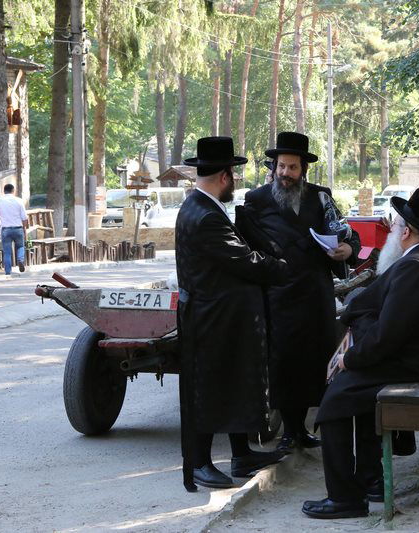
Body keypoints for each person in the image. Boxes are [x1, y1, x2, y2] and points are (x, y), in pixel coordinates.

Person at [302, 188, 419, 519]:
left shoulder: (416, 267)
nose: (395, 228)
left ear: (408, 231)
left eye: (398, 223)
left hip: (415, 363)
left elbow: (389, 336)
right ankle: (368, 480)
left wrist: (349, 358)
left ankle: (345, 499)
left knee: (335, 399)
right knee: (350, 390)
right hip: (418, 356)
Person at [176, 136, 288, 493]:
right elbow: (243, 260)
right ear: (225, 175)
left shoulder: (204, 207)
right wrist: (280, 266)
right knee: (208, 388)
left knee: (237, 381)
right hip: (211, 320)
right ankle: (200, 464)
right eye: (234, 175)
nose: (235, 182)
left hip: (225, 316)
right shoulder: (204, 215)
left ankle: (241, 453)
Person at [239, 132, 361, 454]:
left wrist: (347, 249)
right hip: (277, 297)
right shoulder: (257, 200)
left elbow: (346, 233)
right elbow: (245, 248)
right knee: (283, 364)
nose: (286, 173)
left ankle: (303, 429)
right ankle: (290, 431)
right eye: (281, 166)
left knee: (313, 362)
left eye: (293, 167)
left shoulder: (321, 198)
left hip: (314, 295)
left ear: (303, 169)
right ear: (274, 166)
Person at [0, 184, 29, 275]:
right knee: (20, 246)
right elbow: (25, 218)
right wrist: (24, 228)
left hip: (5, 230)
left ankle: (8, 272)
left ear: (4, 191)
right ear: (13, 191)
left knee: (7, 251)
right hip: (18, 228)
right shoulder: (19, 201)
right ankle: (20, 260)